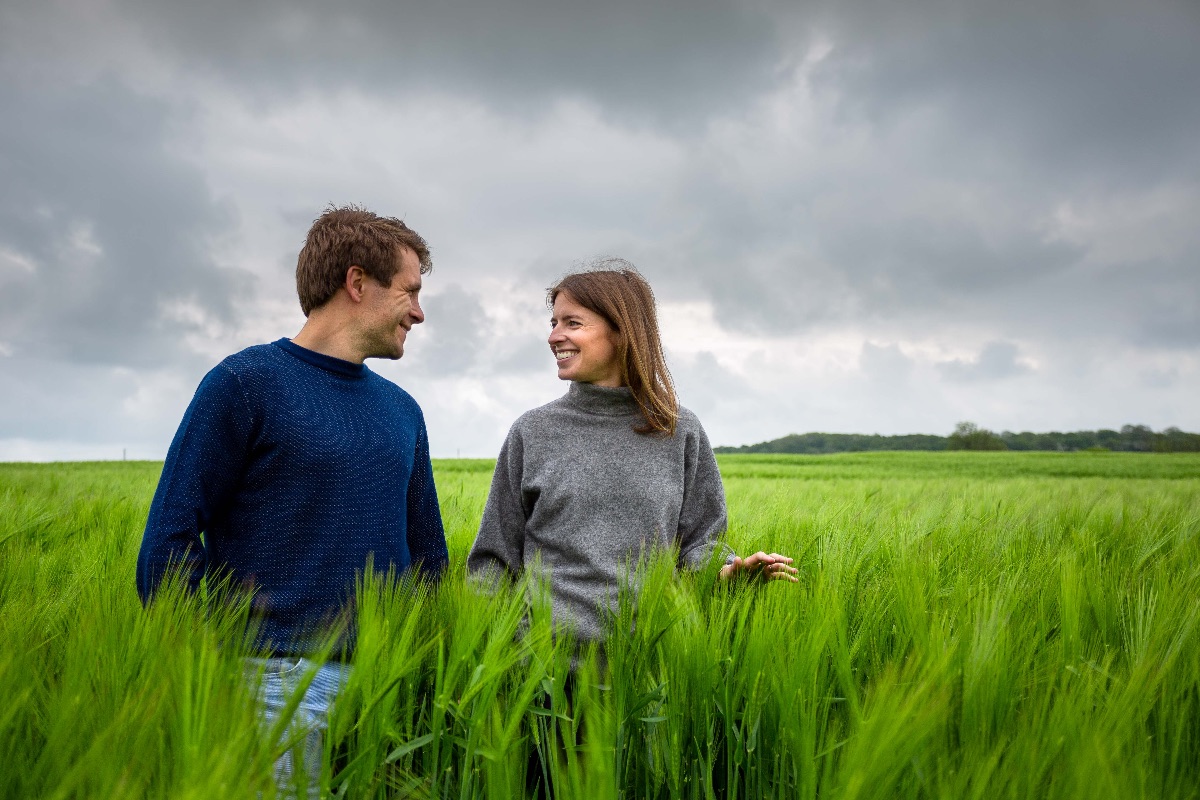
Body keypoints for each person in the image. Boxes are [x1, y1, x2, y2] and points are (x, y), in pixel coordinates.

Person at [136, 205, 449, 797]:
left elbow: (429, 560)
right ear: (357, 282)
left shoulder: (403, 411)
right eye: (409, 291)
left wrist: (419, 669)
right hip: (268, 687)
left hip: (384, 685)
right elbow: (168, 541)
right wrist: (210, 668)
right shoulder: (245, 383)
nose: (418, 311)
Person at [467, 263, 797, 648]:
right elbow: (493, 560)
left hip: (650, 663)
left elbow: (699, 545)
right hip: (541, 666)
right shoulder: (533, 431)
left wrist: (729, 573)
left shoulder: (679, 430)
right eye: (553, 323)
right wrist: (493, 654)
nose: (554, 336)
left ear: (622, 331)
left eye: (572, 323)